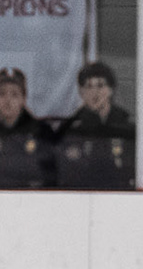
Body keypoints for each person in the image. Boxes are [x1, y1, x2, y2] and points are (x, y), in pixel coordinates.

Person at [54, 61, 134, 189]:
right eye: (88, 86)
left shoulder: (127, 128)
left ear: (110, 90)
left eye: (100, 85)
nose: (94, 92)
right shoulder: (69, 130)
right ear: (81, 92)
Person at [0, 67, 54, 189]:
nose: (7, 100)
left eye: (14, 94)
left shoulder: (42, 132)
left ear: (23, 99)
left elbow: (51, 178)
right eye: (1, 94)